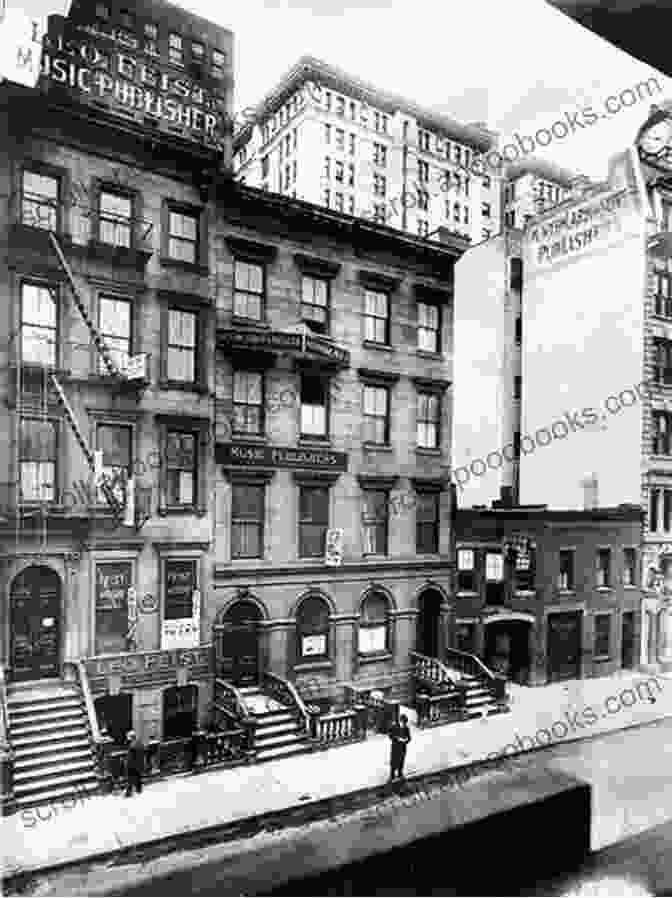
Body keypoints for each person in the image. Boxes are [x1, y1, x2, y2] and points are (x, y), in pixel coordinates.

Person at [388, 714, 411, 781]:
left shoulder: (406, 728)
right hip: (395, 747)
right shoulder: (394, 727)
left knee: (401, 761)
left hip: (403, 748)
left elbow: (409, 738)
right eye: (402, 722)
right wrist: (397, 738)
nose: (403, 724)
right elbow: (390, 735)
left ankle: (400, 773)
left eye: (404, 723)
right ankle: (392, 775)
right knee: (394, 761)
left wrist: (406, 740)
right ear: (400, 721)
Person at [125, 730, 145, 797]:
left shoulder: (132, 745)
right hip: (139, 764)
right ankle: (139, 790)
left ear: (131, 737)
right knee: (138, 777)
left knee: (129, 779)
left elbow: (130, 757)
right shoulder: (140, 743)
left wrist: (127, 764)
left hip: (132, 765)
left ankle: (128, 793)